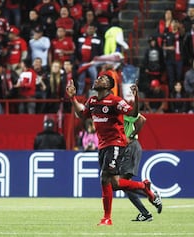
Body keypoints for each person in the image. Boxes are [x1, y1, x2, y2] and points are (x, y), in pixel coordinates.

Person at [66, 74, 162, 226]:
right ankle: (144, 187)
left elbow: (134, 114)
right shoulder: (92, 101)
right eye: (97, 78)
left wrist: (136, 97)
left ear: (108, 85)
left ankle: (107, 218)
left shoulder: (115, 101)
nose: (97, 79)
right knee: (115, 183)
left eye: (102, 79)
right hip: (103, 145)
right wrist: (73, 98)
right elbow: (81, 114)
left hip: (116, 143)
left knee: (105, 178)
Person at [121, 113, 162, 221]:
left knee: (120, 183)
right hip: (126, 149)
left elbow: (142, 119)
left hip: (131, 146)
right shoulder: (113, 112)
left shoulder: (121, 110)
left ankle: (151, 196)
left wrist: (130, 136)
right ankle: (146, 212)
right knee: (125, 185)